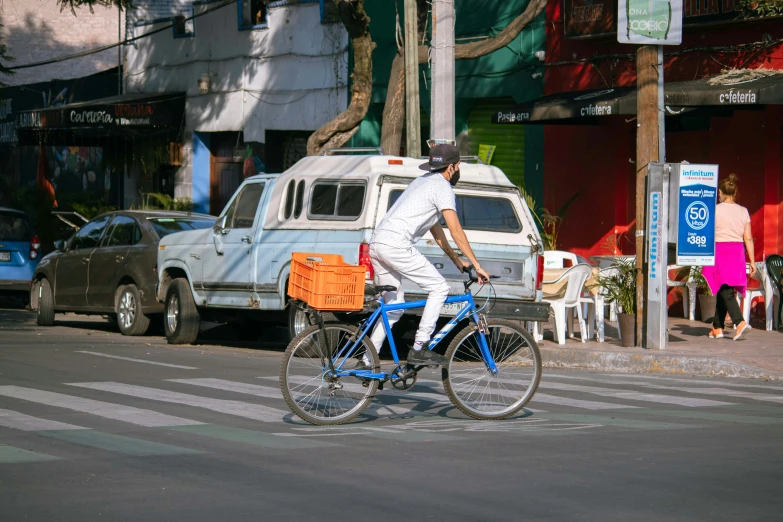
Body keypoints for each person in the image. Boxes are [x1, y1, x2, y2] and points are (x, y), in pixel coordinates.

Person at [365, 143, 491, 367]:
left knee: (396, 306)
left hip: (377, 244)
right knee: (439, 288)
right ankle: (420, 347)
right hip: (395, 245)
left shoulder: (421, 182)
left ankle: (367, 360)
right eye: (457, 167)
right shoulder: (442, 187)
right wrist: (476, 264)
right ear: (453, 167)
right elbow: (456, 231)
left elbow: (437, 230)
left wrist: (457, 261)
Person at [703, 174, 756, 341]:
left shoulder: (715, 210)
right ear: (734, 193)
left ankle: (739, 322)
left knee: (725, 290)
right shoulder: (743, 211)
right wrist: (752, 260)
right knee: (723, 288)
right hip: (737, 252)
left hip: (720, 250)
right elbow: (748, 238)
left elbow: (707, 233)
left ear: (720, 192)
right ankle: (717, 327)